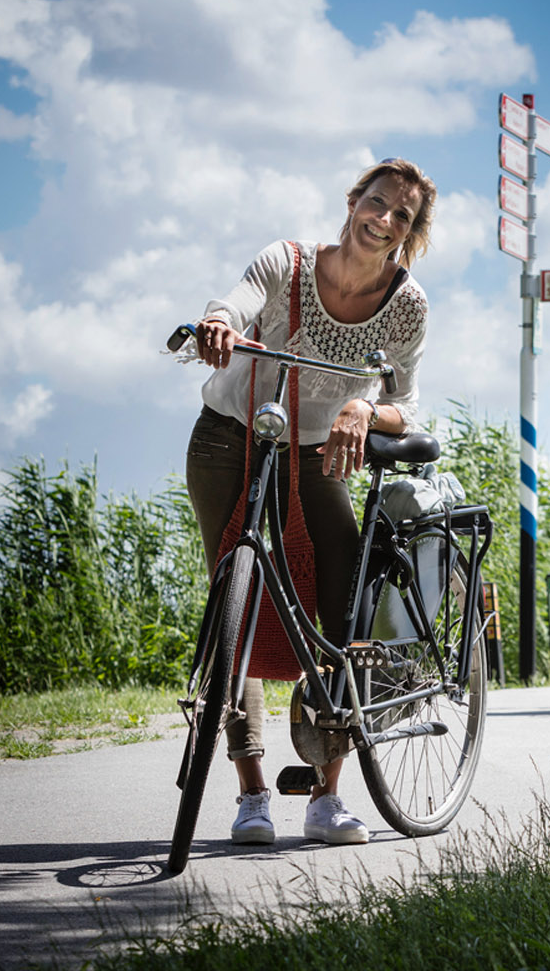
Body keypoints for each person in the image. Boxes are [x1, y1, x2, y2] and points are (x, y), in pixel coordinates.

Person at [185, 158, 436, 846]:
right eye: (376, 202)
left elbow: (403, 401)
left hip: (317, 454)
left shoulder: (407, 305)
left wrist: (364, 407)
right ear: (354, 200)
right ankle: (251, 794)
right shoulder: (285, 262)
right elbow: (234, 302)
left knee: (342, 610)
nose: (383, 220)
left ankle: (327, 798)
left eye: (401, 217)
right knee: (234, 604)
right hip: (229, 439)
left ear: (411, 234)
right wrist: (215, 322)